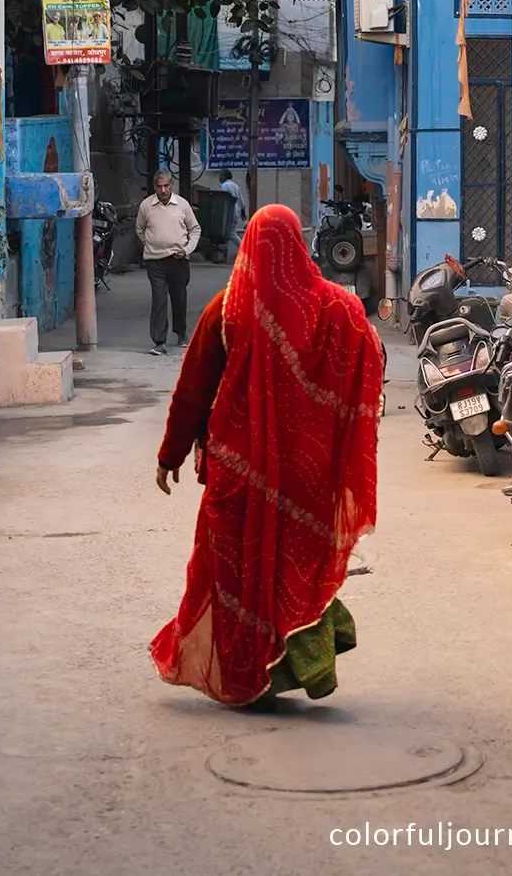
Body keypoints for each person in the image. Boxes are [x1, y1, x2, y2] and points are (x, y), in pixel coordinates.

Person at [149, 203, 384, 708]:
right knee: (295, 567)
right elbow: (372, 356)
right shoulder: (336, 309)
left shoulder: (226, 309)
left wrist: (169, 455)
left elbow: (193, 389)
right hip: (308, 475)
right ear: (299, 246)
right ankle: (302, 665)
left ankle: (245, 671)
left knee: (237, 574)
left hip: (237, 476)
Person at [135, 170, 201, 355]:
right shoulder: (146, 206)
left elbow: (195, 229)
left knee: (179, 297)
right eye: (159, 186)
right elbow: (140, 229)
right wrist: (151, 245)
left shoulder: (182, 205)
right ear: (155, 187)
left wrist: (187, 249)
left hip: (177, 259)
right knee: (159, 298)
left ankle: (181, 334)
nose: (163, 190)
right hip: (155, 261)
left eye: (166, 186)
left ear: (172, 185)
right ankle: (159, 341)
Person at [218, 169, 247, 245]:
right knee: (229, 234)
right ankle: (224, 254)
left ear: (224, 176)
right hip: (236, 213)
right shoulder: (236, 186)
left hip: (228, 213)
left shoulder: (224, 186)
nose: (219, 178)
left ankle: (244, 249)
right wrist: (243, 214)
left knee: (230, 234)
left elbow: (222, 199)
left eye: (220, 176)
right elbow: (241, 201)